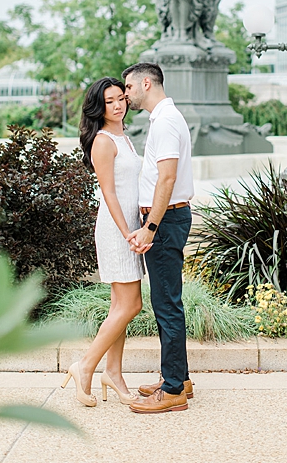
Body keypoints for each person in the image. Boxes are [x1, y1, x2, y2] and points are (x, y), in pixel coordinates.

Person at [62, 77, 144, 407]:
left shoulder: (124, 137)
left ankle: (114, 372)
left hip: (131, 226)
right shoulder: (103, 141)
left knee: (119, 308)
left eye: (121, 98)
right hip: (116, 229)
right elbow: (108, 192)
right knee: (131, 305)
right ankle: (85, 366)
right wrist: (127, 231)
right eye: (110, 101)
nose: (118, 104)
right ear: (100, 107)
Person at [122, 62, 195, 413]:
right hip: (168, 219)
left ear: (146, 83)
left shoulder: (165, 121)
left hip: (164, 222)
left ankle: (173, 390)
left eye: (130, 88)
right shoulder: (165, 118)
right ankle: (179, 378)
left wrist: (150, 226)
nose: (126, 95)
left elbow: (167, 179)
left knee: (166, 303)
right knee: (168, 301)